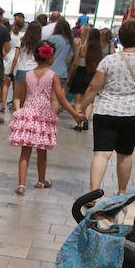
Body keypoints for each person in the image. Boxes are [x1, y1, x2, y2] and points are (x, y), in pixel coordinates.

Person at [78, 19, 135, 194]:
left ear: (120, 38)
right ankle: (121, 192)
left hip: (106, 112)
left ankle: (92, 193)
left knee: (101, 154)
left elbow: (93, 87)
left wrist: (81, 107)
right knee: (125, 154)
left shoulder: (110, 60)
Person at [10, 41, 84, 195]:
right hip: (43, 116)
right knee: (41, 151)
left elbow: (23, 97)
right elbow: (61, 99)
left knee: (25, 152)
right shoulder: (53, 76)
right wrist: (75, 114)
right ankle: (41, 180)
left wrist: (23, 114)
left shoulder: (27, 75)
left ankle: (21, 185)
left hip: (28, 114)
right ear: (50, 58)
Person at [68, 26, 102, 131]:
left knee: (78, 100)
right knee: (89, 101)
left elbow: (74, 64)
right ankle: (86, 118)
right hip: (92, 74)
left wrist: (70, 76)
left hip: (80, 73)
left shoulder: (82, 47)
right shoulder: (99, 50)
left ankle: (79, 124)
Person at [48, 18, 74, 93]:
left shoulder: (51, 39)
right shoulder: (68, 41)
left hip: (49, 71)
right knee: (57, 98)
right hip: (62, 73)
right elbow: (68, 60)